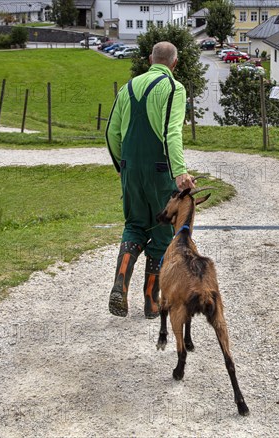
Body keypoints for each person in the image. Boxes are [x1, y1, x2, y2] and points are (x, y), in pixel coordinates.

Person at [105, 41, 195, 319]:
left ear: (149, 59)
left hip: (130, 167)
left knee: (133, 225)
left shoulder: (127, 88)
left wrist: (122, 165)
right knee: (160, 231)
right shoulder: (173, 89)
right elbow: (172, 133)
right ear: (174, 63)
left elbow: (111, 133)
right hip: (160, 169)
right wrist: (180, 170)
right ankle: (151, 301)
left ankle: (121, 281)